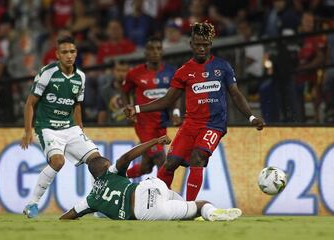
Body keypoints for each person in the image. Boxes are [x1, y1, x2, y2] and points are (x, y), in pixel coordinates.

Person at [124, 22, 264, 201]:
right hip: (190, 124)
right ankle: (158, 204)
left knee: (197, 157)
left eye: (205, 45)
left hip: (214, 125)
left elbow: (235, 95)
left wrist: (251, 117)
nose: (201, 49)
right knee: (169, 164)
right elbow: (167, 100)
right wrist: (136, 108)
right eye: (197, 44)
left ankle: (189, 207)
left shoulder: (223, 67)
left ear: (210, 45)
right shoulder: (184, 71)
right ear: (191, 44)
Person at [59, 135, 242, 221]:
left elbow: (68, 216)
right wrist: (155, 141)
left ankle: (202, 212)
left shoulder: (91, 200)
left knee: (191, 206)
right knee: (182, 200)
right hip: (151, 189)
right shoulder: (111, 172)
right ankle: (207, 212)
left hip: (144, 213)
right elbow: (126, 158)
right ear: (106, 166)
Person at [20, 35, 101, 218]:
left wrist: (80, 129)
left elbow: (77, 105)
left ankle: (100, 205)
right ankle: (32, 204)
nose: (69, 56)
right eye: (64, 52)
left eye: (72, 51)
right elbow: (30, 103)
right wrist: (28, 131)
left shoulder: (80, 77)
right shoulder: (47, 73)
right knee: (58, 162)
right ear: (57, 54)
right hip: (47, 127)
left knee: (98, 161)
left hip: (70, 127)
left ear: (76, 53)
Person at [122, 36, 182, 178]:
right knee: (161, 160)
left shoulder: (172, 72)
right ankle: (167, 196)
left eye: (158, 48)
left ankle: (115, 177)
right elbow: (124, 91)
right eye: (151, 49)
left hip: (162, 124)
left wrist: (176, 111)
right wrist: (128, 108)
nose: (155, 52)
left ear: (162, 51)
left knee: (146, 168)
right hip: (144, 125)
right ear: (145, 53)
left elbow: (177, 95)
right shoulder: (134, 74)